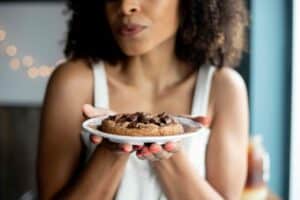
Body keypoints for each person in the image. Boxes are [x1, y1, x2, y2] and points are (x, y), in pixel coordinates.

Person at [37, 0, 249, 199]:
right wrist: (113, 148)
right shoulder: (74, 82)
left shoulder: (223, 88)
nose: (126, 6)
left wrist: (166, 151)